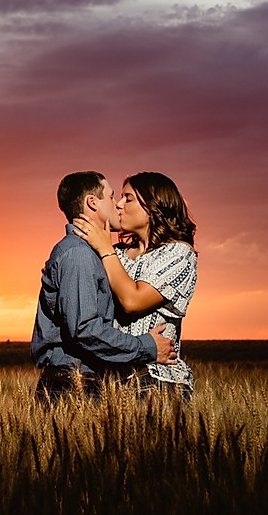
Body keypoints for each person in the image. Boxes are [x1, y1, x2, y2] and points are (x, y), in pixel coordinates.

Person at [31, 170, 177, 400]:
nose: (118, 204)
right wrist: (146, 347)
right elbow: (85, 329)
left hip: (80, 382)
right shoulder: (79, 255)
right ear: (92, 202)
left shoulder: (90, 254)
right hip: (72, 384)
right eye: (111, 197)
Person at [72, 171, 197, 398]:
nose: (118, 204)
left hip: (158, 381)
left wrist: (104, 248)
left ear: (153, 206)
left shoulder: (179, 253)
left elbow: (132, 300)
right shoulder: (115, 254)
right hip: (111, 384)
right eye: (119, 197)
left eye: (128, 198)